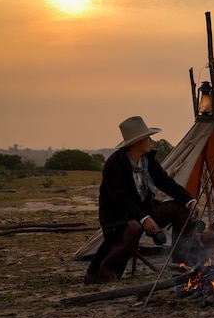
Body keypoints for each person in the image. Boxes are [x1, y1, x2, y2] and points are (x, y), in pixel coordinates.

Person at [84, 116, 205, 284]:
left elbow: (165, 182)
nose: (150, 140)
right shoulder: (114, 164)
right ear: (136, 142)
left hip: (145, 210)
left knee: (182, 210)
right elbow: (119, 198)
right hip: (119, 216)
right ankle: (105, 274)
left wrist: (189, 201)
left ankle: (184, 261)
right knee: (132, 227)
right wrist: (143, 218)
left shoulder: (148, 160)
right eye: (147, 138)